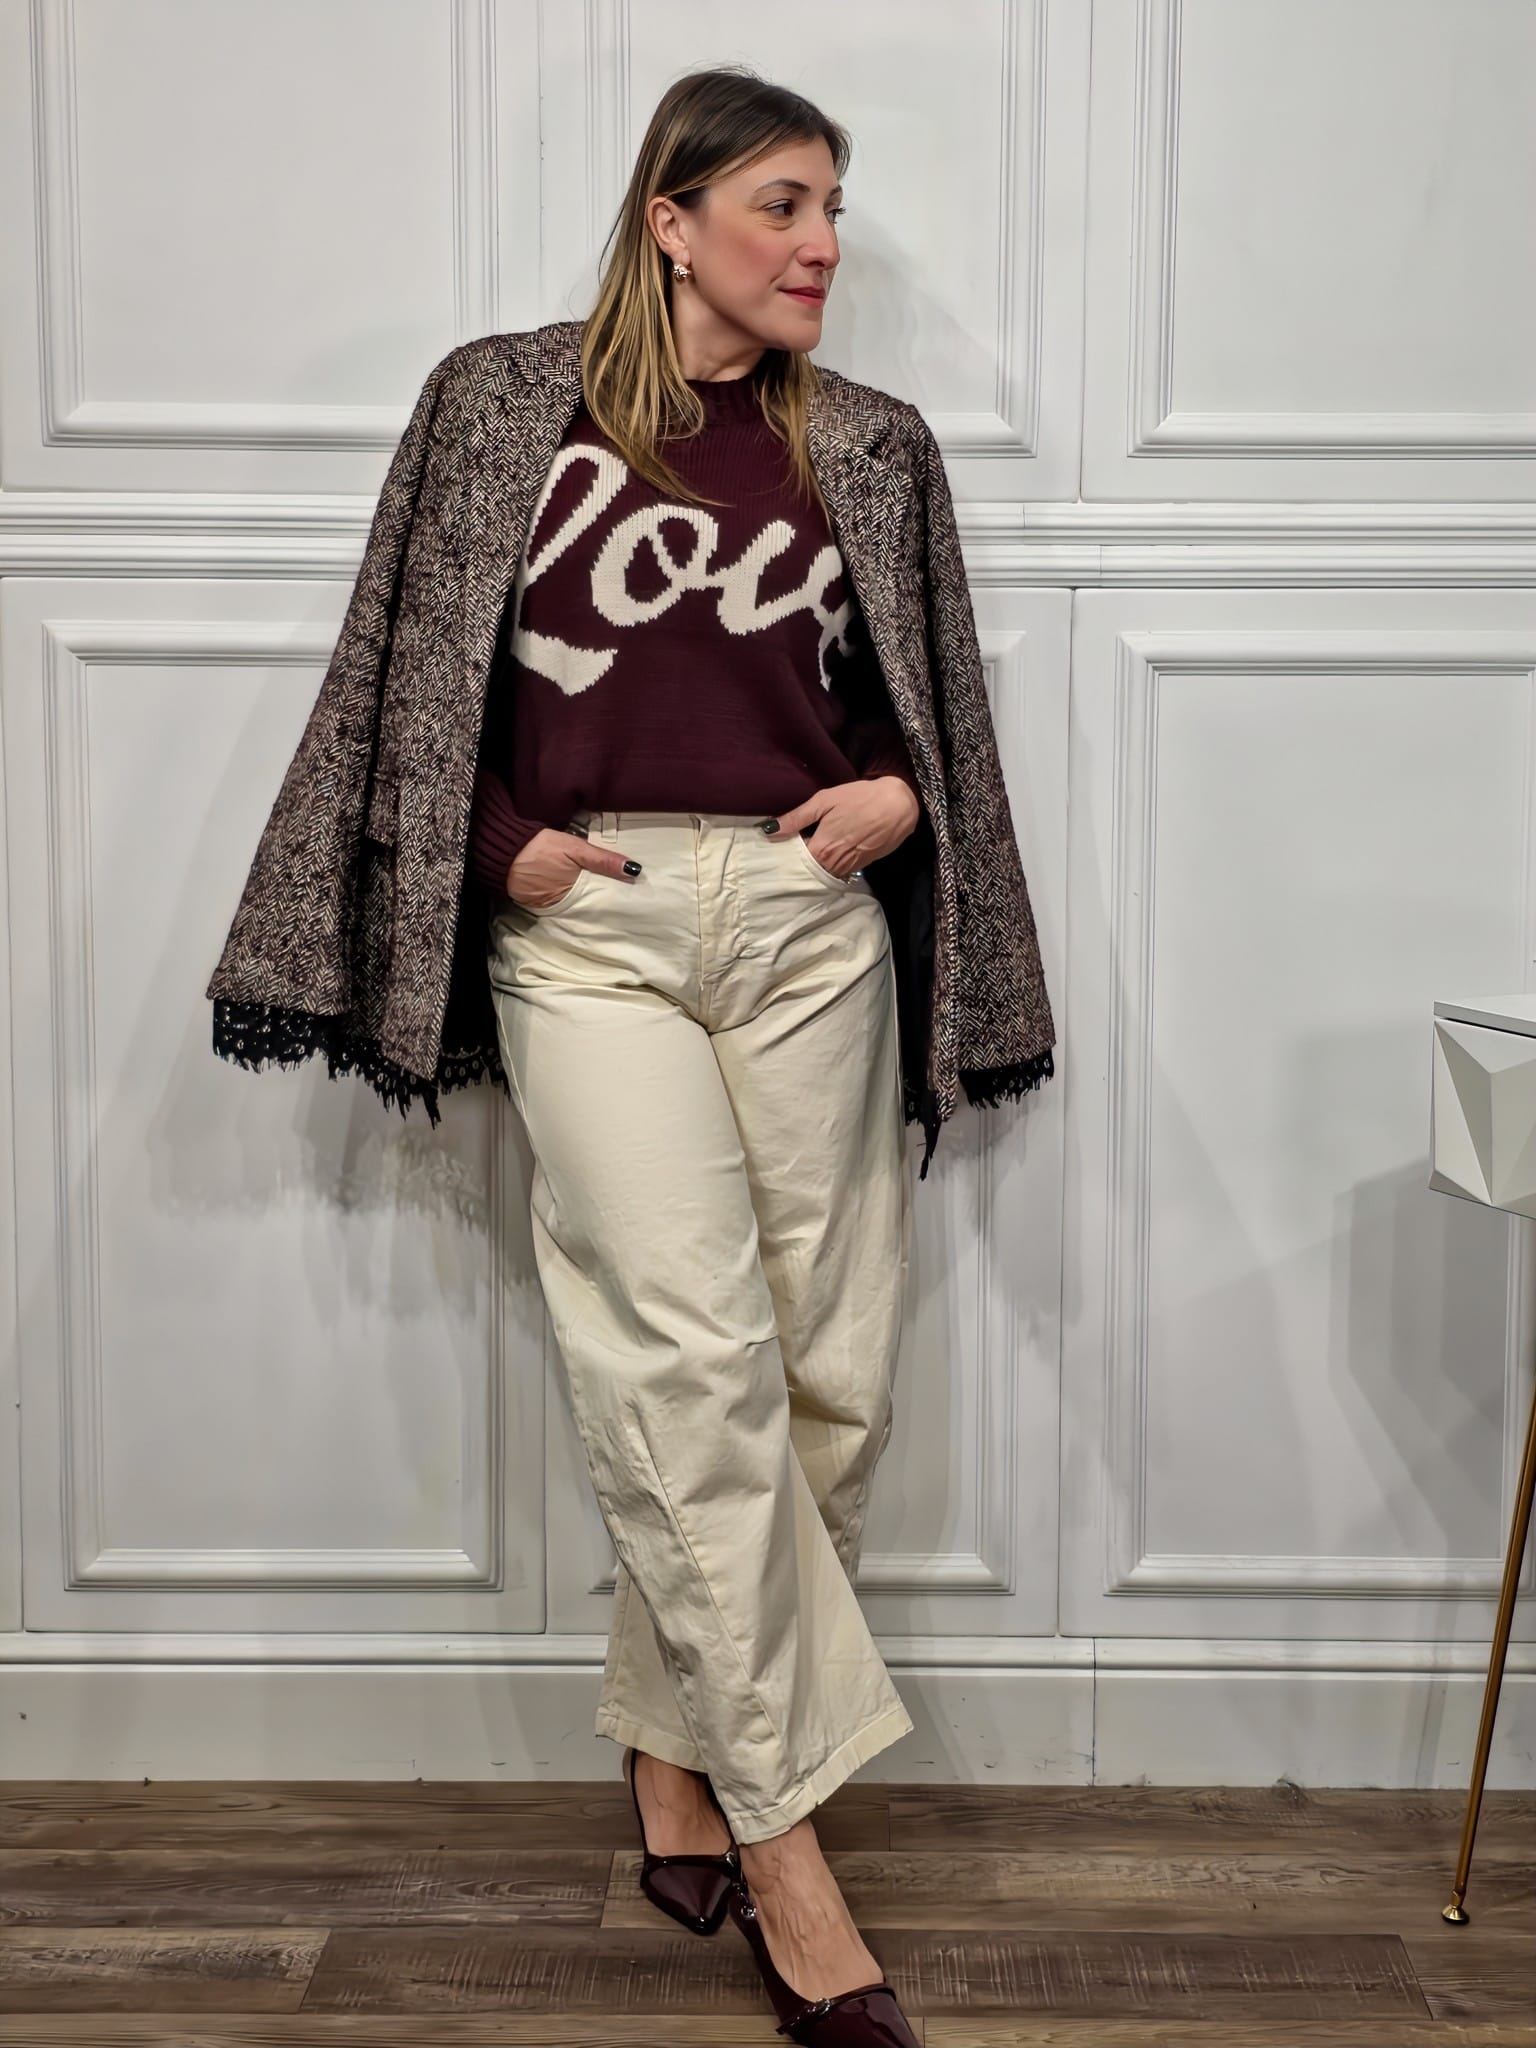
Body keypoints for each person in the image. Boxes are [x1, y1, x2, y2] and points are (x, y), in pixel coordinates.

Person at [472, 65, 928, 2048]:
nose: (822, 243)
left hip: (810, 919)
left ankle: (676, 1748)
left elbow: (920, 707)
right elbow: (410, 680)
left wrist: (897, 798)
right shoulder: (503, 408)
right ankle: (790, 1850)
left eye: (832, 207)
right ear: (672, 219)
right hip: (593, 926)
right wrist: (506, 848)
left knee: (826, 1375)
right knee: (688, 1352)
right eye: (781, 204)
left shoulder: (869, 443)